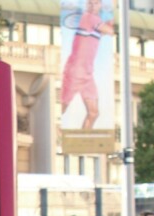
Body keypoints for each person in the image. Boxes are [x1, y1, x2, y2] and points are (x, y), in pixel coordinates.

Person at [60, 0, 115, 130]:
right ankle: (52, 128)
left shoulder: (95, 22)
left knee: (93, 112)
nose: (92, 6)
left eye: (95, 3)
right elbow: (109, 30)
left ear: (100, 5)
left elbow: (104, 29)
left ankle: (83, 138)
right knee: (62, 106)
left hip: (87, 74)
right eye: (89, 3)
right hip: (75, 71)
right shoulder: (88, 17)